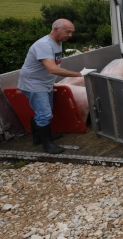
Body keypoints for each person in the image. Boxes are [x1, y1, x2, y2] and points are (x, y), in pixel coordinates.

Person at [18, 19, 84, 154]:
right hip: (33, 84)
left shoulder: (58, 43)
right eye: (68, 32)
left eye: (71, 32)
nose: (70, 35)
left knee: (46, 111)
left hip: (44, 83)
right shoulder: (44, 45)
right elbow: (52, 69)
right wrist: (79, 74)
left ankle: (38, 138)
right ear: (56, 29)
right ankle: (47, 145)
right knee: (45, 113)